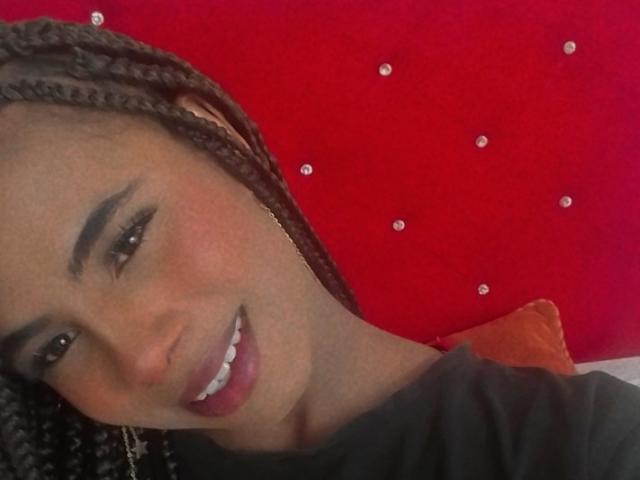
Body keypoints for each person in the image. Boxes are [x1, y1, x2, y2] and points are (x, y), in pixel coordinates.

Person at [0, 16, 637, 480]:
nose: (142, 360)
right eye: (55, 346)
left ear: (211, 133)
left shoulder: (588, 448)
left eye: (128, 241)